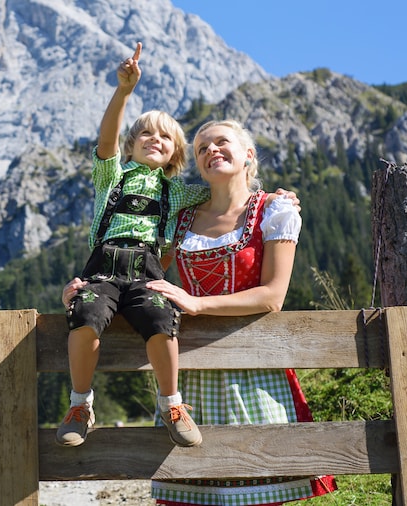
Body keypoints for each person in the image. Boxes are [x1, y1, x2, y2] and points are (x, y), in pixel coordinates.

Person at [143, 120, 338, 504]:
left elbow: (272, 296)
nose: (211, 150)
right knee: (191, 491)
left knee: (259, 487)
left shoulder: (274, 209)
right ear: (197, 165)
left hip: (256, 364)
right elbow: (144, 271)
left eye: (221, 142)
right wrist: (91, 284)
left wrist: (196, 303)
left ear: (248, 154)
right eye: (201, 148)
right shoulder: (181, 219)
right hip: (195, 368)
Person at [56, 42, 211, 448]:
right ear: (131, 143)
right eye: (144, 132)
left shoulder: (176, 192)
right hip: (102, 269)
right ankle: (80, 405)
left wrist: (271, 195)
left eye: (164, 136)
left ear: (177, 152)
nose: (153, 138)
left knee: (162, 315)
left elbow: (227, 195)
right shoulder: (112, 175)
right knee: (85, 310)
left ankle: (171, 403)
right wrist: (123, 91)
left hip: (147, 271)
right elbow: (106, 140)